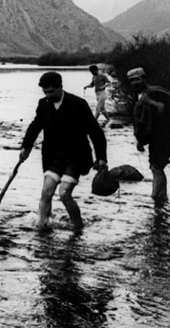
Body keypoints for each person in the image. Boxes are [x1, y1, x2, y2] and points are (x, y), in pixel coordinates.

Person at [19, 71, 108, 233]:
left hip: (77, 157)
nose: (48, 95)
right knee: (46, 192)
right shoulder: (43, 104)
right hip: (54, 157)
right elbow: (35, 126)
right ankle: (42, 228)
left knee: (64, 193)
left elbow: (96, 132)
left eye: (51, 92)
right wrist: (26, 147)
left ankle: (78, 228)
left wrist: (101, 158)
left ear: (60, 87)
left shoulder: (78, 104)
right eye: (45, 92)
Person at [128, 67, 170, 203]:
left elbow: (166, 107)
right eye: (131, 80)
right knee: (156, 167)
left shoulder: (154, 91)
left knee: (156, 167)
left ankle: (155, 197)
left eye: (137, 79)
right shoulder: (140, 95)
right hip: (154, 138)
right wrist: (140, 140)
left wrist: (152, 103)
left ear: (144, 78)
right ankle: (162, 198)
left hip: (163, 136)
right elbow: (144, 120)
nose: (135, 82)